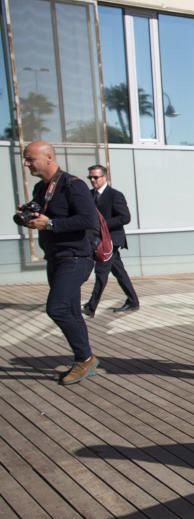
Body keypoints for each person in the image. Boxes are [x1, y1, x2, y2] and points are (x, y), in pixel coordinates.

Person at [20, 141, 100, 385]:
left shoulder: (73, 185)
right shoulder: (40, 188)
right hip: (55, 257)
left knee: (57, 308)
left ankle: (85, 358)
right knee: (72, 309)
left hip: (76, 257)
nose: (26, 163)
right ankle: (84, 358)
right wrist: (27, 218)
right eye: (25, 159)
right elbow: (42, 216)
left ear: (48, 157)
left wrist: (51, 224)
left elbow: (89, 220)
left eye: (30, 158)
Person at [83, 164, 138, 317]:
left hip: (112, 240)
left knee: (101, 272)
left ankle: (91, 306)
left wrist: (103, 225)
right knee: (119, 272)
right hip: (98, 241)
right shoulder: (88, 195)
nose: (92, 180)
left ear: (104, 177)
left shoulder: (115, 195)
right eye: (90, 177)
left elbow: (125, 217)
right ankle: (133, 301)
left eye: (96, 177)